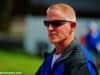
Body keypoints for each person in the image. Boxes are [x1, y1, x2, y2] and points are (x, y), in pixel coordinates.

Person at [36, 3, 98, 75]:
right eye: (47, 23)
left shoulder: (80, 63)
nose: (50, 28)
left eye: (56, 23)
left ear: (72, 26)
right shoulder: (50, 58)